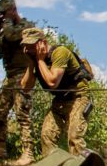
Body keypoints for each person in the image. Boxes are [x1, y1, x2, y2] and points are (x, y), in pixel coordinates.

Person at [20, 28, 92, 156]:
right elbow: (25, 87)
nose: (29, 49)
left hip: (78, 97)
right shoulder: (36, 60)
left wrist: (40, 60)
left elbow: (53, 82)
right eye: (26, 46)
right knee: (47, 135)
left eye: (32, 45)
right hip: (60, 101)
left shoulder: (60, 52)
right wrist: (32, 63)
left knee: (74, 137)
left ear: (43, 42)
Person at [0, 0, 35, 165]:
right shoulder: (4, 28)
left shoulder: (26, 26)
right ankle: (0, 150)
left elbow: (11, 36)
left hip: (23, 74)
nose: (3, 16)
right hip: (10, 76)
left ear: (14, 10)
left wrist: (7, 22)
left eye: (5, 12)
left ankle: (28, 153)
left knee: (22, 113)